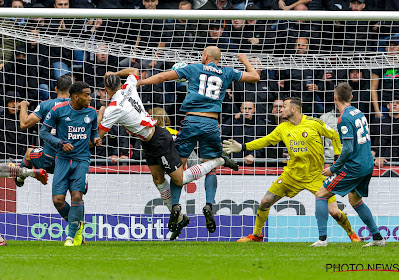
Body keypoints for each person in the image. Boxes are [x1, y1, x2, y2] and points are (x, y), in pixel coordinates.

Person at [98, 68, 239, 240]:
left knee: (179, 179)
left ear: (105, 90)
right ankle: (179, 218)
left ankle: (219, 160)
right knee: (158, 180)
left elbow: (98, 136)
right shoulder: (129, 86)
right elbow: (134, 70)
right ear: (120, 84)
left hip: (159, 138)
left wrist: (100, 112)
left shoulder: (113, 107)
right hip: (148, 142)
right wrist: (113, 72)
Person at [137, 47, 260, 234]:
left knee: (178, 168)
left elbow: (162, 77)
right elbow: (255, 77)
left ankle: (176, 206)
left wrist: (142, 82)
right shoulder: (227, 72)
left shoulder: (194, 69)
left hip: (191, 121)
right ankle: (209, 205)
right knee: (210, 166)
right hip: (211, 124)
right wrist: (244, 59)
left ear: (204, 56)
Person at [223, 97, 360, 243]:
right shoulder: (282, 128)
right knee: (265, 202)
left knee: (335, 212)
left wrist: (337, 159)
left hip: (315, 176)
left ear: (294, 109)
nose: (280, 109)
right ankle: (257, 235)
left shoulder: (314, 123)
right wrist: (243, 147)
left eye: (284, 106)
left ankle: (352, 234)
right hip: (291, 175)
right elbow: (265, 140)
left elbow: (334, 135)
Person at [311, 83, 385, 247]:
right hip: (367, 163)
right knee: (355, 200)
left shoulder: (343, 118)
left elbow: (348, 149)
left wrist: (333, 168)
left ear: (335, 97)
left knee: (321, 195)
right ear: (351, 97)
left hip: (355, 166)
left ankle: (322, 239)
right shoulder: (358, 112)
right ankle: (378, 237)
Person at [39, 81, 101, 246]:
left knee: (76, 195)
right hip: (62, 159)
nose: (90, 98)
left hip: (81, 159)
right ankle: (77, 224)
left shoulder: (92, 113)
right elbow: (43, 133)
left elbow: (94, 132)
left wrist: (96, 139)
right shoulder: (58, 110)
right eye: (86, 95)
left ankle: (71, 236)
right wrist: (60, 143)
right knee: (58, 200)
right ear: (76, 96)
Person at [15, 74, 72, 187]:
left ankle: (20, 178)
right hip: (70, 160)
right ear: (71, 89)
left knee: (28, 153)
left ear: (55, 88)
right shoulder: (78, 106)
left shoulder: (46, 105)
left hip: (48, 159)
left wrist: (23, 106)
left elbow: (24, 124)